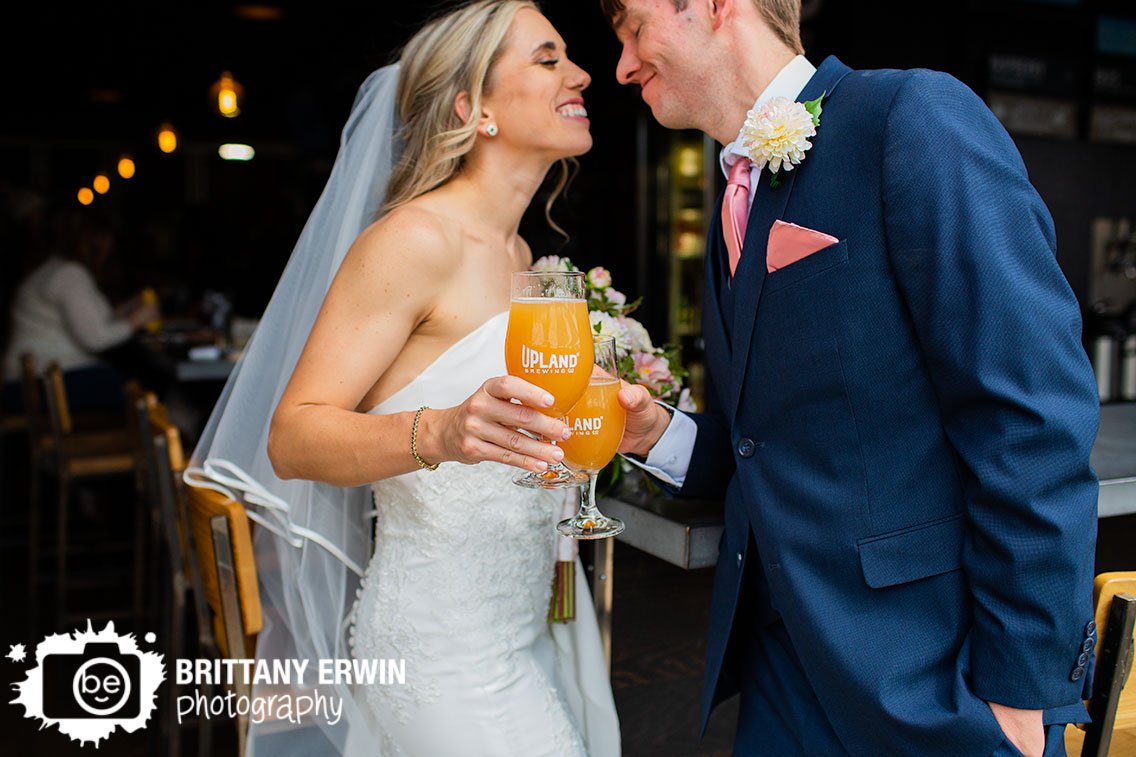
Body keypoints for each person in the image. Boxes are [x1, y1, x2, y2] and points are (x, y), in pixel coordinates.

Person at [606, 1, 1100, 755]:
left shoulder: (911, 116)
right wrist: (657, 433)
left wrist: (1023, 692)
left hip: (935, 681)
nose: (624, 64)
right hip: (781, 679)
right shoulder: (737, 194)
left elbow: (1032, 414)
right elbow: (769, 443)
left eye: (633, 28)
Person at [185, 2, 620, 755]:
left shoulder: (520, 254)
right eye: (548, 59)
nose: (582, 74)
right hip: (444, 651)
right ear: (473, 107)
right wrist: (443, 430)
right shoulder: (415, 240)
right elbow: (292, 436)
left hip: (522, 621)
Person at [2, 207, 161, 414]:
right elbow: (95, 338)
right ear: (90, 239)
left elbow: (95, 320)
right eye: (104, 237)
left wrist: (130, 307)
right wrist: (136, 320)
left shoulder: (54, 268)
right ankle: (174, 440)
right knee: (143, 390)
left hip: (29, 382)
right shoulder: (69, 274)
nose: (109, 246)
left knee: (133, 378)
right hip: (44, 384)